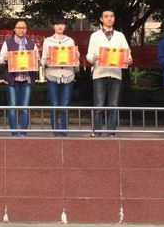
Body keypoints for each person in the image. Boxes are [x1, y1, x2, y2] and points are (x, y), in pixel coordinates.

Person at [86, 9, 132, 137]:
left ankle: (111, 132)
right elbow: (89, 55)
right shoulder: (95, 36)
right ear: (101, 19)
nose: (109, 18)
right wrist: (93, 58)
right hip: (99, 73)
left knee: (113, 105)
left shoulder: (120, 36)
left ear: (114, 18)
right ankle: (97, 132)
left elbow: (128, 54)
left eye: (111, 16)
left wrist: (129, 60)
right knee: (99, 105)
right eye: (106, 16)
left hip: (116, 74)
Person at [0, 19, 39, 136]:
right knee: (12, 106)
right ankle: (14, 133)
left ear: (26, 30)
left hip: (27, 79)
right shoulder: (8, 42)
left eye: (24, 28)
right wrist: (5, 58)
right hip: (12, 79)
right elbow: (0, 59)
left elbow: (37, 60)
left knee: (25, 108)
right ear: (14, 29)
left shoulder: (31, 44)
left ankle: (23, 133)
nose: (21, 30)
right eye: (19, 28)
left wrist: (36, 59)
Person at [41, 17, 78, 137]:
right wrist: (46, 60)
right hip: (53, 75)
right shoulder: (48, 41)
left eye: (62, 24)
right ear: (53, 26)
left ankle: (63, 131)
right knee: (54, 104)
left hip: (68, 75)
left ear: (65, 26)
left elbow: (74, 60)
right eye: (57, 24)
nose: (60, 26)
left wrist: (76, 57)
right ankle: (56, 131)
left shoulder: (70, 41)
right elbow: (43, 60)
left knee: (65, 104)